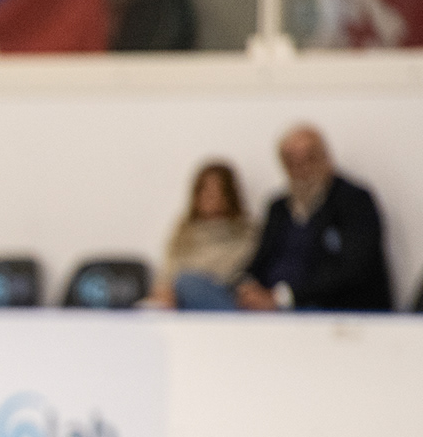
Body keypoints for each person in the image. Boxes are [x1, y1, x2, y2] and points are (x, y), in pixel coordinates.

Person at [235, 125, 393, 313]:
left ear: (326, 158)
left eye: (309, 159)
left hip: (330, 309)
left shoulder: (354, 201)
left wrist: (284, 298)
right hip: (270, 308)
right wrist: (247, 284)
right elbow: (261, 259)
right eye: (292, 162)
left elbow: (353, 269)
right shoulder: (279, 207)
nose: (301, 169)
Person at [145, 161, 256, 310]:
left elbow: (233, 277)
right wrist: (165, 291)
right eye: (205, 189)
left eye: (218, 190)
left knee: (188, 282)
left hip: (222, 304)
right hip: (179, 306)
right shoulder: (183, 232)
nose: (211, 196)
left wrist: (187, 285)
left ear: (230, 194)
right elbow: (167, 273)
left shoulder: (246, 233)